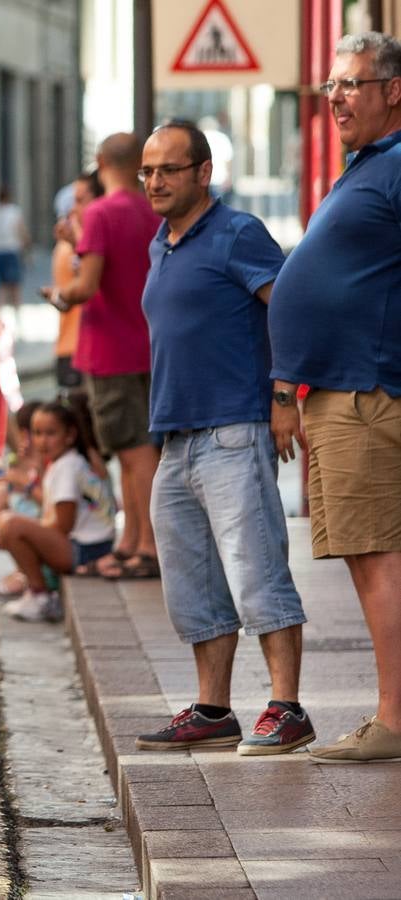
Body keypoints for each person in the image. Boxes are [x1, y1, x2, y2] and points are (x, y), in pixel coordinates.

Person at [132, 121, 312, 755]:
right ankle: (213, 710)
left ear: (203, 174)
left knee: (256, 571)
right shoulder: (163, 244)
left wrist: (285, 397)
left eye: (168, 170)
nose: (155, 181)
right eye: (147, 171)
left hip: (234, 429)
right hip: (175, 438)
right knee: (193, 584)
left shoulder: (237, 233)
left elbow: (289, 305)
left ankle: (286, 708)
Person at [270, 31, 401, 764]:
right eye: (330, 87)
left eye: (351, 84)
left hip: (367, 388)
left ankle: (393, 719)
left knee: (374, 552)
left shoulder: (396, 164)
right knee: (367, 552)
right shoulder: (365, 167)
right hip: (345, 388)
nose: (336, 98)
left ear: (392, 90)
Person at [42, 133, 161, 580]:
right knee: (139, 449)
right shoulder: (152, 211)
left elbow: (87, 285)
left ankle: (146, 545)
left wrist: (59, 295)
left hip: (110, 347)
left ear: (99, 162)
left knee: (134, 452)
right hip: (149, 343)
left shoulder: (100, 213)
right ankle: (131, 540)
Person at [0, 401, 116, 623]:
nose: (42, 441)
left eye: (51, 433)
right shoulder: (63, 463)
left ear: (70, 435)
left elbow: (62, 525)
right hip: (89, 547)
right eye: (38, 433)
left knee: (13, 526)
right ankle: (37, 591)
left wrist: (22, 531)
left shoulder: (68, 467)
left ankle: (41, 596)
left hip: (86, 551)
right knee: (12, 525)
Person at [0, 401, 44, 598]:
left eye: (34, 434)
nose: (26, 440)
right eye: (22, 433)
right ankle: (24, 571)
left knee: (11, 521)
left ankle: (35, 584)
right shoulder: (22, 458)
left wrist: (22, 479)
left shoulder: (59, 463)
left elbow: (50, 504)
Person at [51, 173, 103, 389]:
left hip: (81, 347)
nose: (75, 210)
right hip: (76, 347)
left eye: (81, 201)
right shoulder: (71, 249)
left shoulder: (79, 246)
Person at [0, 187, 29, 311]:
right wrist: (27, 248)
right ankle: (17, 315)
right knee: (15, 286)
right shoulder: (14, 211)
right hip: (11, 250)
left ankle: (1, 315)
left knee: (0, 288)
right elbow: (21, 230)